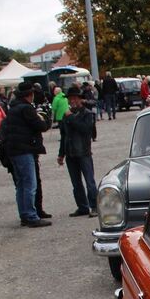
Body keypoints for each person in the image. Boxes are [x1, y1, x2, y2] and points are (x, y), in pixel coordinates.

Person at [0, 81, 51, 228]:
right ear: (30, 95)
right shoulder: (26, 109)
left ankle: (24, 214)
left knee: (21, 184)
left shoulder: (13, 108)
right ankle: (30, 215)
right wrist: (44, 119)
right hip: (24, 149)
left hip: (13, 150)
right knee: (30, 184)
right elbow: (40, 126)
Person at [57, 86, 97, 218]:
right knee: (76, 183)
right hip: (70, 153)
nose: (72, 101)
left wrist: (71, 118)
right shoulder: (66, 115)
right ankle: (82, 206)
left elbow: (86, 130)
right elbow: (64, 136)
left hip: (84, 152)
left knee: (89, 181)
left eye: (74, 98)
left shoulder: (87, 114)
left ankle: (94, 206)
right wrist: (61, 154)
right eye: (70, 99)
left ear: (80, 99)